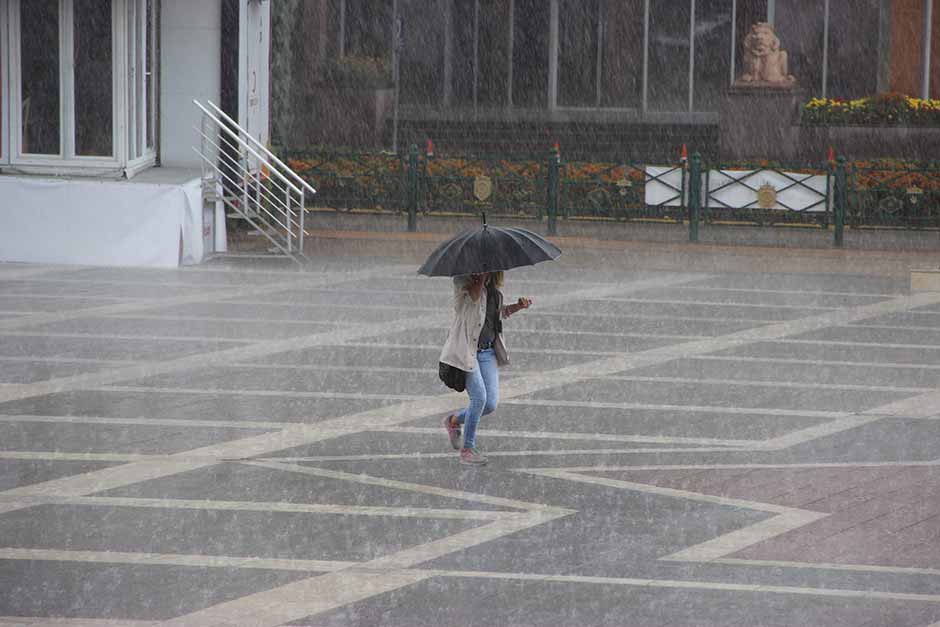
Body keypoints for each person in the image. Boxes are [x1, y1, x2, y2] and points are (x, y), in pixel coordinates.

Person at [439, 271, 532, 465]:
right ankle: (468, 449)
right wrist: (480, 279)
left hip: (488, 353)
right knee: (479, 398)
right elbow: (471, 302)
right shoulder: (462, 282)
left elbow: (497, 314)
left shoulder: (494, 290)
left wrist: (517, 306)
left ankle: (454, 421)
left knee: (490, 404)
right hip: (468, 352)